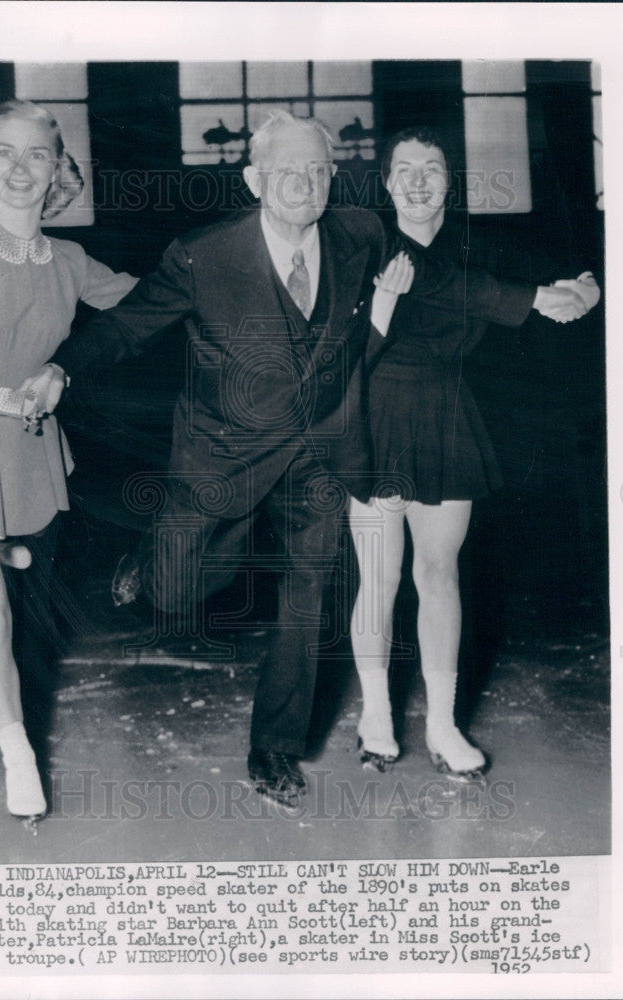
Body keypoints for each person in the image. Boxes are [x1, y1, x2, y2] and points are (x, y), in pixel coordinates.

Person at [48, 110, 590, 807]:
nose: (302, 184)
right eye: (286, 171)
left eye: (316, 170)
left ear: (332, 177)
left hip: (324, 455)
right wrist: (62, 371)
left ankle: (274, 748)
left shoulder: (359, 234)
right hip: (227, 453)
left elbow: (432, 280)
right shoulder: (203, 254)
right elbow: (126, 326)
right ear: (254, 179)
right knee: (179, 591)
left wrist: (537, 298)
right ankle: (151, 567)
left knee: (307, 598)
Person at [349, 126, 601, 779]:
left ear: (450, 182)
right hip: (378, 417)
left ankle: (442, 724)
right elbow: (370, 337)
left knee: (438, 574)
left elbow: (500, 281)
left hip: (447, 417)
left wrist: (578, 289)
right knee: (378, 576)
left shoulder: (474, 254)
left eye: (431, 167)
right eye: (403, 168)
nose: (417, 180)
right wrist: (535, 299)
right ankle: (376, 714)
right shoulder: (363, 243)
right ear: (385, 182)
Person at [0, 100, 136, 826]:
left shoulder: (71, 262)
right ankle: (19, 756)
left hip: (28, 461)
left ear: (60, 171)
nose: (22, 168)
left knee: (25, 617)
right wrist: (5, 398)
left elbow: (151, 307)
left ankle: (12, 556)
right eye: (6, 154)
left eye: (39, 155)